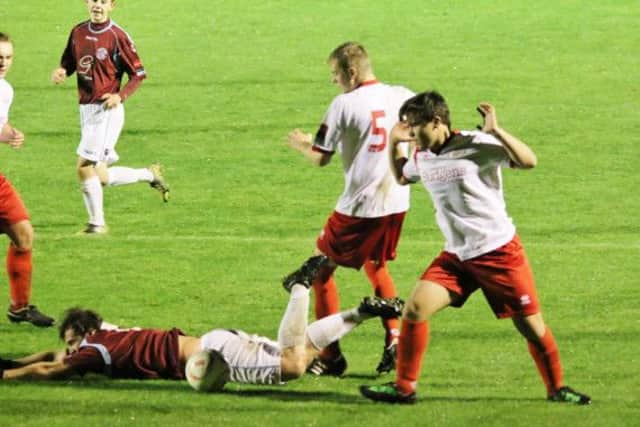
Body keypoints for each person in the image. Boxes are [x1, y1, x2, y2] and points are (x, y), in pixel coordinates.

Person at [359, 91, 591, 405]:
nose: (411, 133)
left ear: (437, 121)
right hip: (457, 256)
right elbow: (401, 177)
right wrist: (393, 143)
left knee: (531, 327)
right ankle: (404, 388)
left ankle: (557, 388)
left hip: (498, 253)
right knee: (415, 308)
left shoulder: (475, 145)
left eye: (415, 126)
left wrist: (496, 131)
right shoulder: (421, 154)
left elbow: (528, 161)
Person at [0, 256, 404, 385]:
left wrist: (10, 377)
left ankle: (299, 286)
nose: (71, 348)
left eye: (73, 341)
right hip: (215, 343)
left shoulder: (96, 350)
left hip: (215, 357)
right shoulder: (109, 333)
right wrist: (12, 361)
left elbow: (52, 369)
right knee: (301, 349)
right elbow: (54, 353)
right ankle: (364, 312)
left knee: (295, 365)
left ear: (86, 335)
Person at [285, 42, 414, 376]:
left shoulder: (344, 104)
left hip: (359, 207)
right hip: (397, 200)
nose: (334, 81)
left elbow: (320, 157)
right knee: (377, 266)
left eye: (336, 74)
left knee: (319, 271)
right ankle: (394, 339)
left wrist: (302, 145)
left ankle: (330, 357)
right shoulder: (402, 95)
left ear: (351, 72)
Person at [51, 0, 169, 235]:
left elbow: (139, 74)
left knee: (84, 166)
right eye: (94, 0)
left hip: (106, 111)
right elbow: (70, 61)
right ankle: (149, 175)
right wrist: (63, 70)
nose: (97, 5)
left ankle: (97, 224)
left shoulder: (118, 36)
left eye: (103, 1)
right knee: (101, 176)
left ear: (112, 5)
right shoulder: (78, 31)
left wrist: (120, 95)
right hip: (86, 109)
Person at [0, 32, 54, 327]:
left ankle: (19, 307)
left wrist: (10, 135)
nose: (3, 63)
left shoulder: (5, 90)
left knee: (23, 233)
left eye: (8, 57)